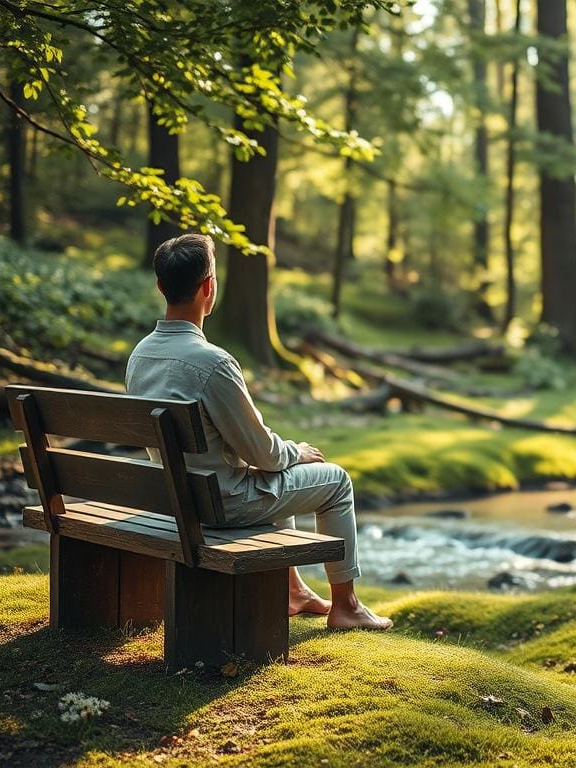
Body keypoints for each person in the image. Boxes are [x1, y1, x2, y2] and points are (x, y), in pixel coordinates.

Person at [126, 233, 391, 631]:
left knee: (271, 476)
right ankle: (347, 606)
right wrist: (295, 452)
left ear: (161, 286)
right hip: (221, 505)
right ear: (209, 287)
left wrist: (279, 457)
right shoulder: (213, 362)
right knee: (335, 482)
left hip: (176, 498)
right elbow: (263, 454)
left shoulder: (140, 354)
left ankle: (294, 590)